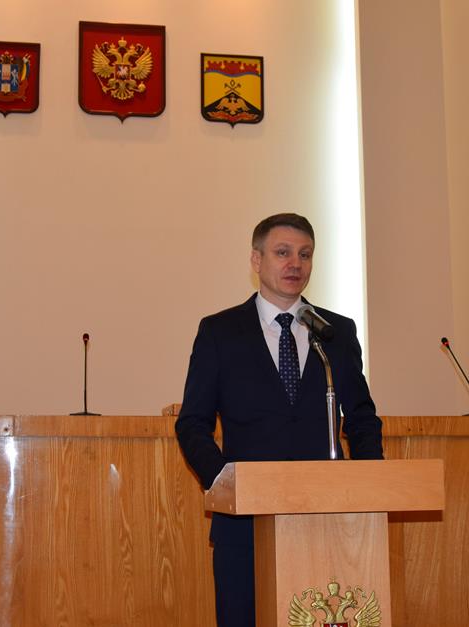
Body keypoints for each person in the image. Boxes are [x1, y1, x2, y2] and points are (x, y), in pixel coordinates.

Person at [175, 213, 384, 627]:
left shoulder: (336, 332)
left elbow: (361, 418)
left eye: (305, 254)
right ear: (257, 260)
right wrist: (226, 482)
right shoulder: (220, 331)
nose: (295, 264)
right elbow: (192, 423)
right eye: (283, 252)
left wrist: (368, 489)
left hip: (327, 516)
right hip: (244, 524)